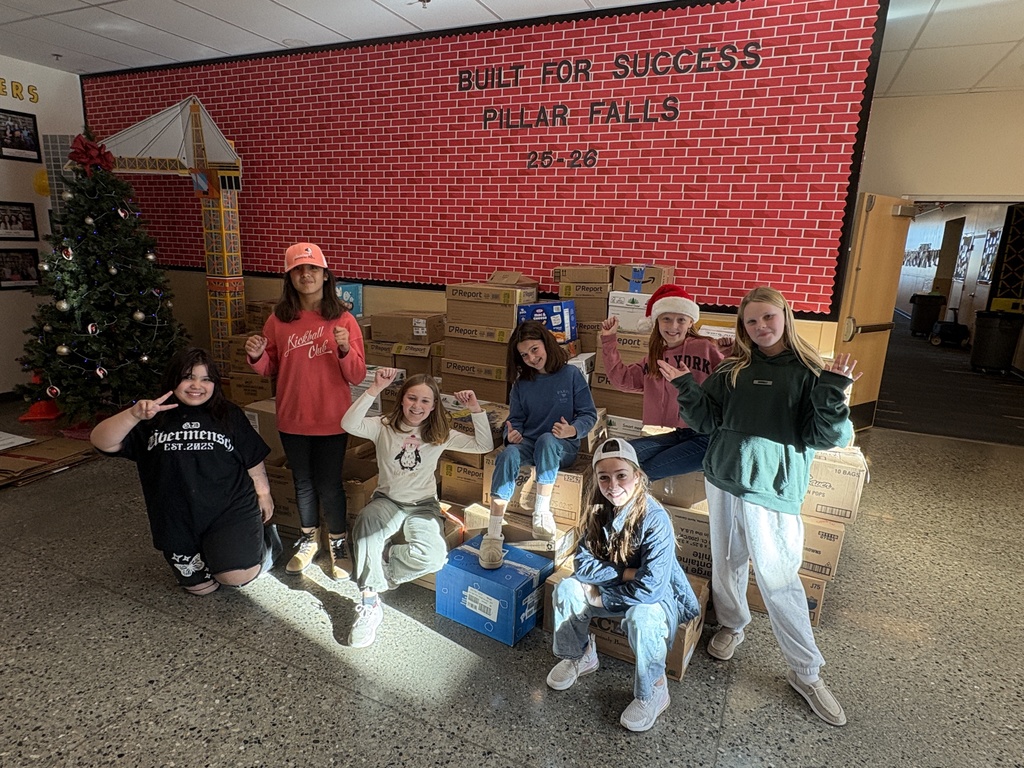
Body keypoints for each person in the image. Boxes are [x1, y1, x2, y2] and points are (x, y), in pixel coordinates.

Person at [658, 285, 861, 727]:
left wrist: (834, 390)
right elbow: (706, 421)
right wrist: (684, 387)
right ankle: (732, 624)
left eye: (768, 317)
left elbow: (827, 437)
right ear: (743, 327)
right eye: (752, 321)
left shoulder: (810, 372)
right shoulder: (733, 369)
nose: (761, 327)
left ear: (785, 316)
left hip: (772, 492)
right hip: (723, 481)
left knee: (779, 580)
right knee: (727, 563)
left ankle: (806, 672)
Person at [90, 347, 281, 596]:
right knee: (201, 589)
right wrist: (133, 415)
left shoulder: (228, 413)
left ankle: (266, 547)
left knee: (234, 577)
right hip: (174, 515)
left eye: (206, 379)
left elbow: (252, 457)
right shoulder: (151, 416)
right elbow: (100, 441)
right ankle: (211, 551)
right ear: (173, 379)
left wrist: (263, 493)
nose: (196, 386)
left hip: (228, 508)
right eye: (188, 377)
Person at [546, 438, 700, 732]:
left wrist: (603, 599)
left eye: (621, 476)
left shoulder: (655, 520)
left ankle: (654, 689)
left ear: (637, 476)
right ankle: (580, 656)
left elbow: (651, 587)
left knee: (642, 617)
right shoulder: (597, 508)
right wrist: (628, 573)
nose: (613, 485)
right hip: (621, 586)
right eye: (604, 477)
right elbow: (583, 564)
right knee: (566, 589)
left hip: (656, 599)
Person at [342, 368, 493, 647]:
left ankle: (385, 567)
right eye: (412, 398)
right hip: (387, 500)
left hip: (422, 506)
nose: (417, 406)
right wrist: (374, 388)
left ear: (434, 406)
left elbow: (484, 445)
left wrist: (475, 408)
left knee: (435, 557)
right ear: (401, 399)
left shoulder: (440, 433)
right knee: (365, 523)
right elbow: (349, 424)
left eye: (425, 401)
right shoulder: (384, 425)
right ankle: (370, 601)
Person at [246, 242, 366, 579]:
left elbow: (356, 374)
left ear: (326, 275)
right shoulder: (278, 320)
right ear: (289, 278)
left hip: (332, 419)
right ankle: (308, 538)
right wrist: (256, 355)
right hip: (293, 417)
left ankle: (339, 543)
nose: (306, 274)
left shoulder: (343, 320)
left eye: (313, 269)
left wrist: (344, 348)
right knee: (302, 483)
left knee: (329, 484)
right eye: (298, 269)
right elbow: (270, 367)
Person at [481, 320, 598, 569]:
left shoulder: (571, 375)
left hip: (561, 446)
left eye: (534, 349)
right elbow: (516, 420)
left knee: (546, 440)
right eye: (524, 355)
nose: (532, 358)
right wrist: (512, 435)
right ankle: (493, 534)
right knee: (508, 454)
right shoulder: (521, 384)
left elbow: (589, 415)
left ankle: (541, 512)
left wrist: (572, 430)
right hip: (529, 444)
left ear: (546, 344)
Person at [600, 284, 732, 481]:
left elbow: (732, 380)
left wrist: (730, 352)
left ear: (690, 323)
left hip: (710, 438)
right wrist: (609, 339)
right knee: (617, 456)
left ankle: (631, 510)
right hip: (680, 435)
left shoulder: (705, 347)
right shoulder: (655, 358)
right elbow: (622, 380)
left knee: (641, 472)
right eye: (666, 319)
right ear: (657, 322)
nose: (673, 326)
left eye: (681, 320)